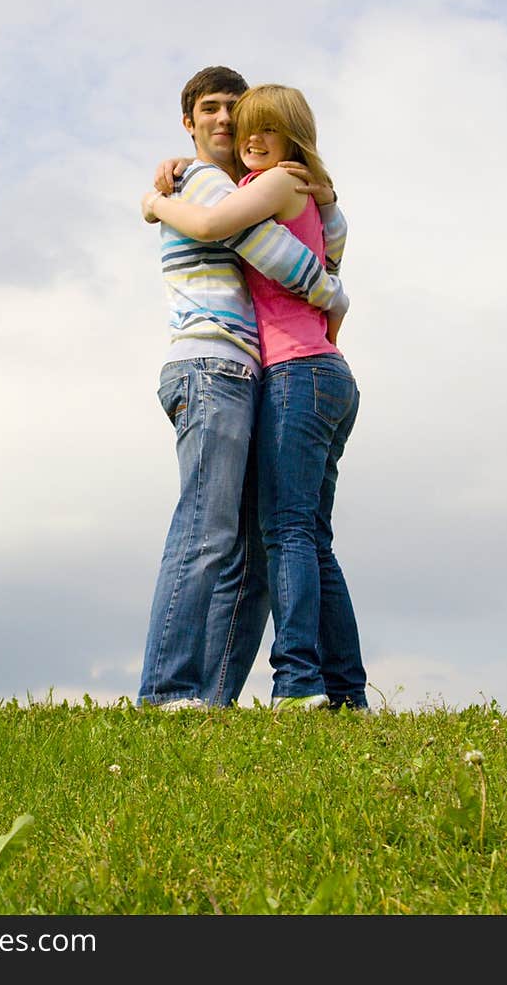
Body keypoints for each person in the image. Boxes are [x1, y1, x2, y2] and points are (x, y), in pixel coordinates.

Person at [143, 84, 368, 714]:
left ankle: (292, 684)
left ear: (290, 137)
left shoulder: (263, 188)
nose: (242, 133)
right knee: (280, 537)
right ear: (188, 121)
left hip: (290, 372)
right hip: (269, 369)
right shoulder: (237, 187)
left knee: (280, 537)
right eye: (224, 117)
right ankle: (332, 690)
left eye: (257, 125)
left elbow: (264, 246)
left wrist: (156, 200)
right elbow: (316, 257)